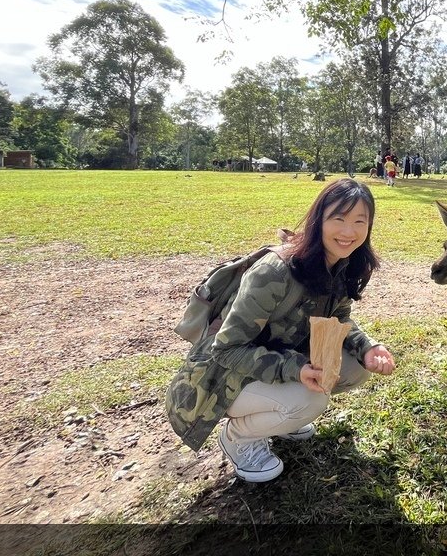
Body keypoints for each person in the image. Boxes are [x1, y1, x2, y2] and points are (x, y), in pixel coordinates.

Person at [165, 179, 397, 482]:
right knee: (310, 400)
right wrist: (296, 370)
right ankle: (239, 437)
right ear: (319, 220)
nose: (348, 232)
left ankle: (280, 416)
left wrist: (368, 348)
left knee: (354, 368)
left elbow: (338, 319)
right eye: (338, 219)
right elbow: (226, 350)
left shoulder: (341, 263)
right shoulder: (275, 271)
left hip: (273, 360)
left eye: (359, 221)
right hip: (218, 378)